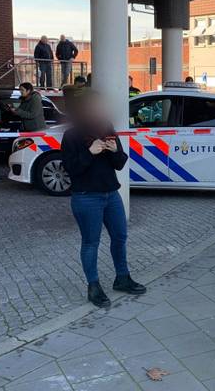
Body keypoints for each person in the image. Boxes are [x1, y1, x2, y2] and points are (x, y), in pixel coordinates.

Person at [61, 91, 146, 308]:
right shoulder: (71, 135)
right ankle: (94, 286)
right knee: (91, 243)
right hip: (86, 197)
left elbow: (119, 163)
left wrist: (115, 150)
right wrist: (90, 152)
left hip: (111, 194)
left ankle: (122, 277)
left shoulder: (106, 127)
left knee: (120, 236)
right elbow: (71, 170)